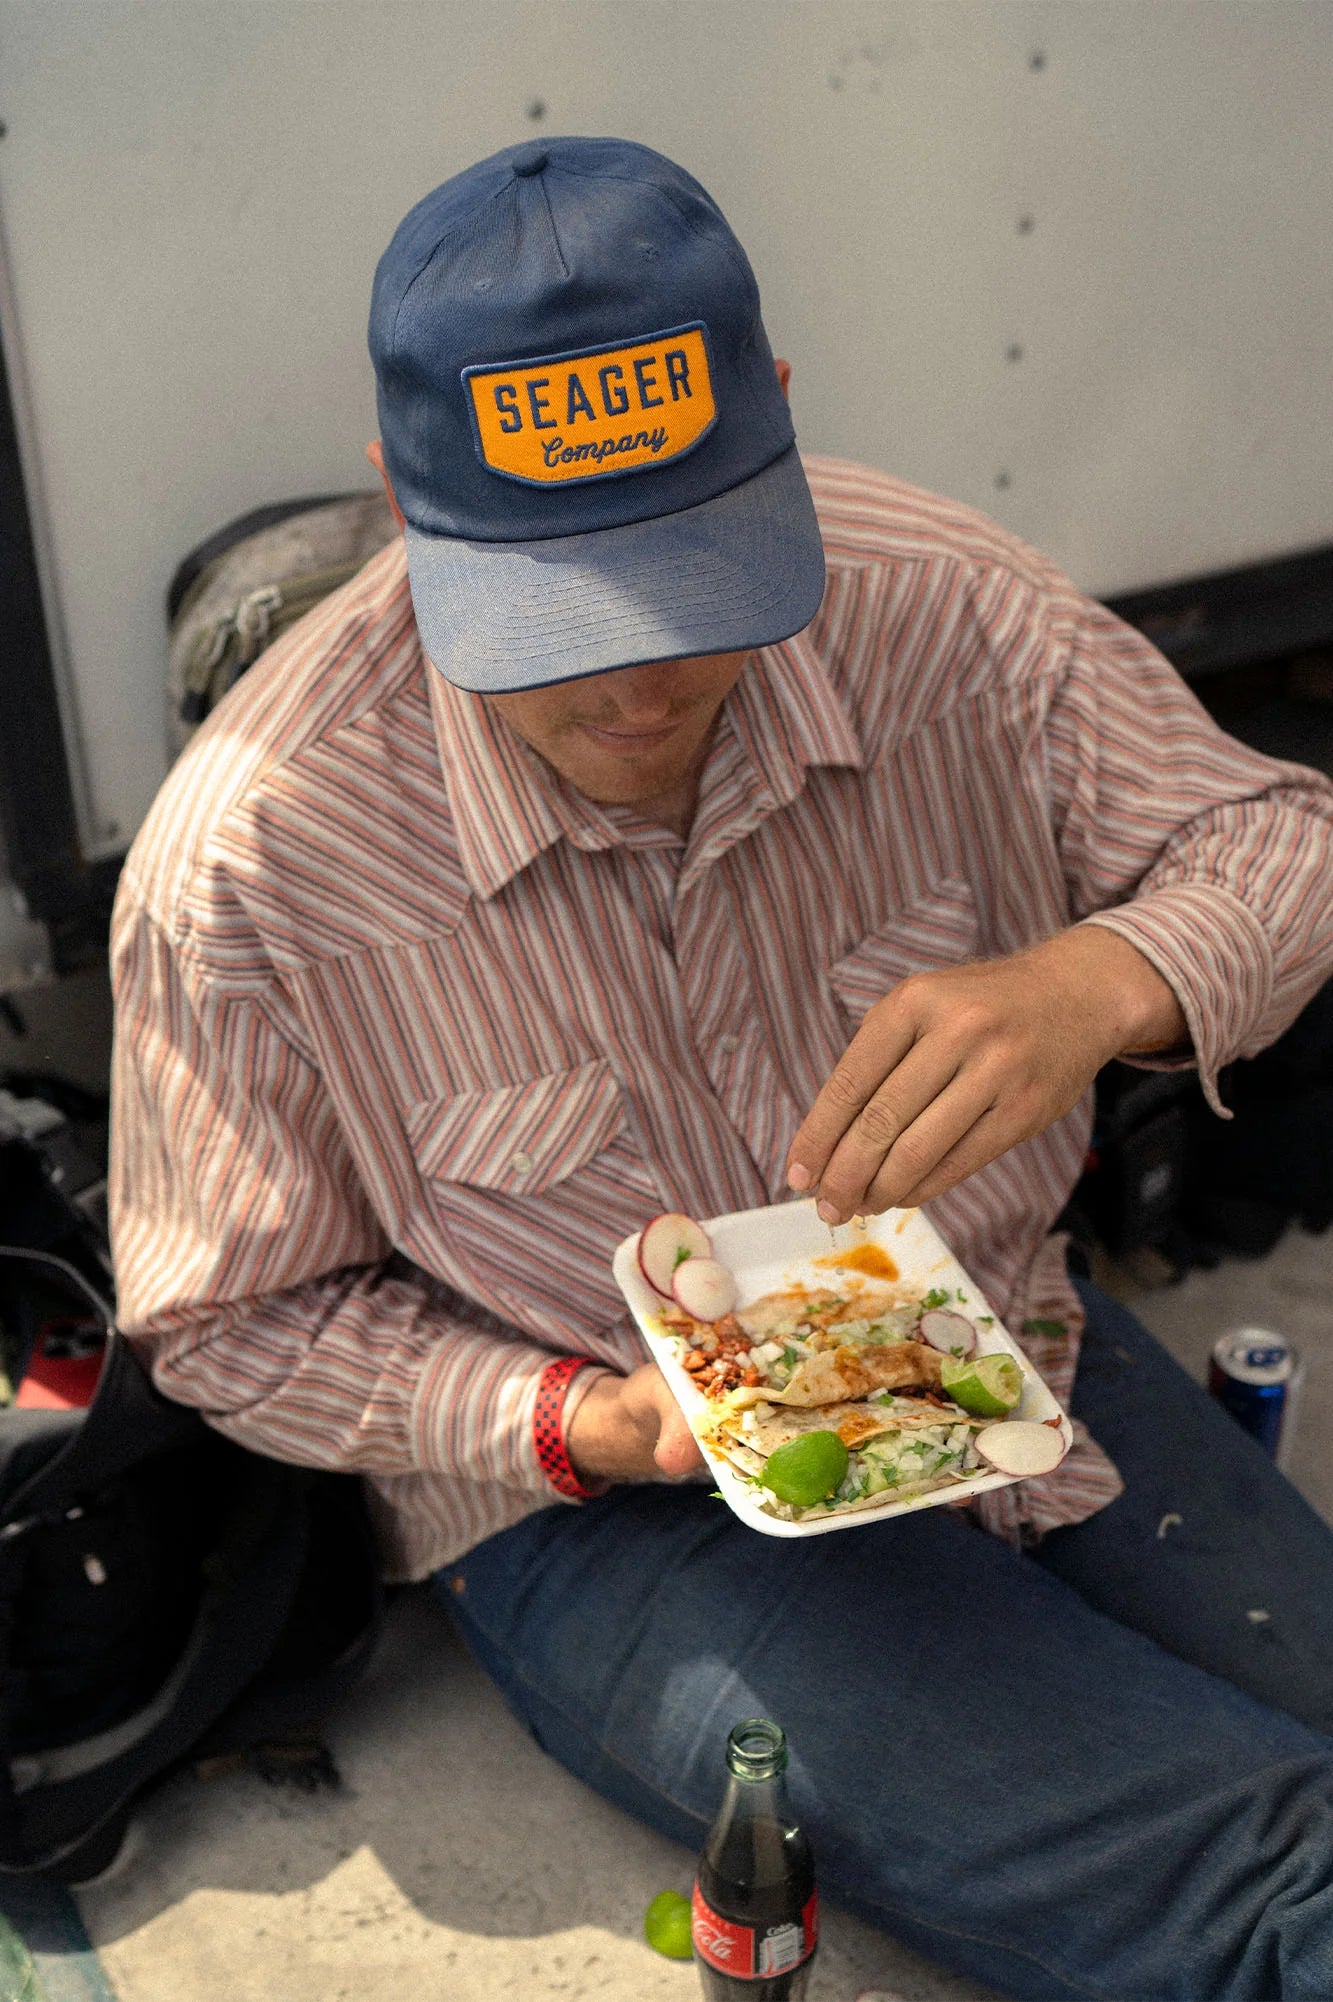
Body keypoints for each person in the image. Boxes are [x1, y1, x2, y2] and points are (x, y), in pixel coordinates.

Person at [109, 137, 1333, 1999]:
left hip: (999, 1339)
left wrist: (1100, 980)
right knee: (1270, 1890)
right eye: (554, 613)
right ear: (402, 504)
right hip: (608, 1505)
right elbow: (226, 1319)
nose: (634, 683)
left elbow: (1284, 843)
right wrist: (587, 1422)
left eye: (692, 577)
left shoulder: (944, 604)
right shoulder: (254, 859)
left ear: (769, 415)